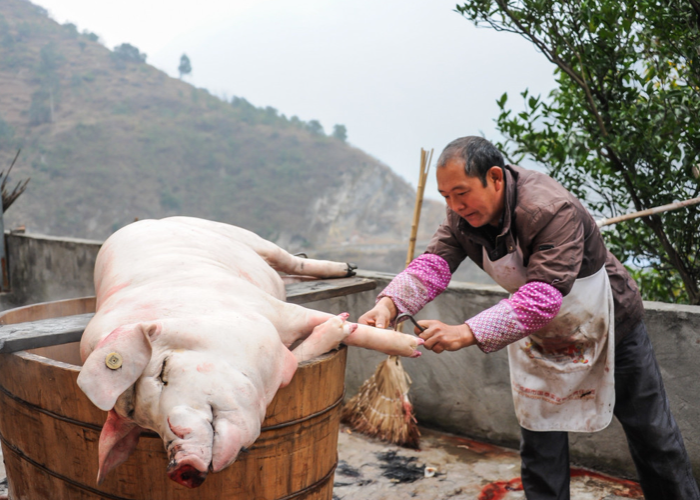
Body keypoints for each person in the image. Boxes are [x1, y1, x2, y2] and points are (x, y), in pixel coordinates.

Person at [359, 136, 700, 500]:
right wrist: (389, 304)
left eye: (461, 193)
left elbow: (541, 297)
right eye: (446, 197)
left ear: (494, 177)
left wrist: (467, 332)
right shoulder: (462, 217)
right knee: (540, 441)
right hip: (536, 335)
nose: (455, 206)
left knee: (653, 437)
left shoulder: (550, 209)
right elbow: (434, 263)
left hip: (608, 326)